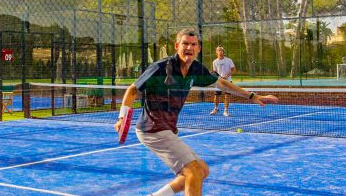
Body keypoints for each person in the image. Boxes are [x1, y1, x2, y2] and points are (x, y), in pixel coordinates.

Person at [115, 28, 279, 196]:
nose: (189, 48)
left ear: (198, 48)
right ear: (177, 45)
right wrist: (122, 117)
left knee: (201, 171)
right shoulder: (161, 67)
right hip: (152, 129)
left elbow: (221, 83)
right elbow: (133, 90)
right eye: (185, 43)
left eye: (193, 44)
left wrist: (251, 96)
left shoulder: (195, 68)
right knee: (193, 171)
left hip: (167, 129)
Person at [210, 46, 236, 117]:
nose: (220, 51)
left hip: (228, 81)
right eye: (219, 50)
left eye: (221, 50)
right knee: (216, 96)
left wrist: (227, 76)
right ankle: (216, 109)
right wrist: (214, 74)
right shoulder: (214, 62)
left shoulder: (229, 60)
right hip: (219, 82)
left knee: (227, 96)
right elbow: (215, 72)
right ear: (216, 52)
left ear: (223, 51)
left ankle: (226, 111)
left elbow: (234, 70)